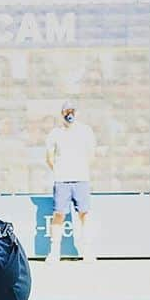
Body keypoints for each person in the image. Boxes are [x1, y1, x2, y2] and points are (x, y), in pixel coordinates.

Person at [45, 100, 97, 262]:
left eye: (72, 111)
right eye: (67, 111)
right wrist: (60, 171)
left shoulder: (86, 131)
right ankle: (55, 252)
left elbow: (92, 154)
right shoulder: (55, 133)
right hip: (62, 180)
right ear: (62, 114)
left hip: (81, 179)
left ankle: (86, 250)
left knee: (84, 214)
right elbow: (49, 157)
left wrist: (80, 170)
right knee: (59, 214)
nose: (70, 114)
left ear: (77, 113)